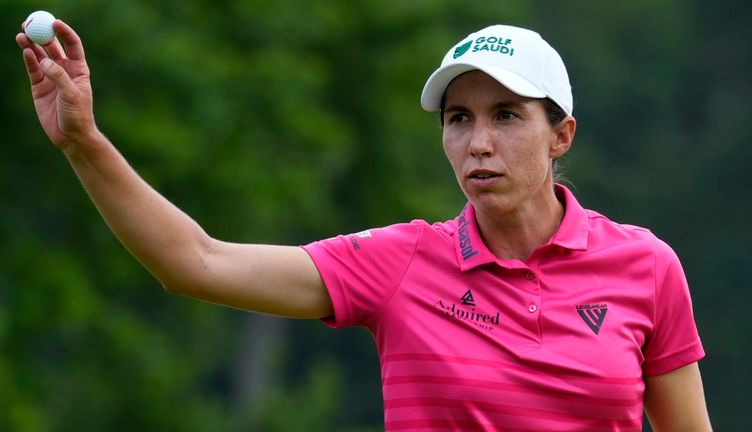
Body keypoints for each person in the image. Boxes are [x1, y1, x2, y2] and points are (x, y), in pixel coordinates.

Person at [16, 19, 711, 431]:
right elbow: (194, 261)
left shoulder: (646, 267)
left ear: (561, 135)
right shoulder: (400, 263)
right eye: (458, 118)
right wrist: (84, 142)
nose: (478, 142)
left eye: (506, 115)